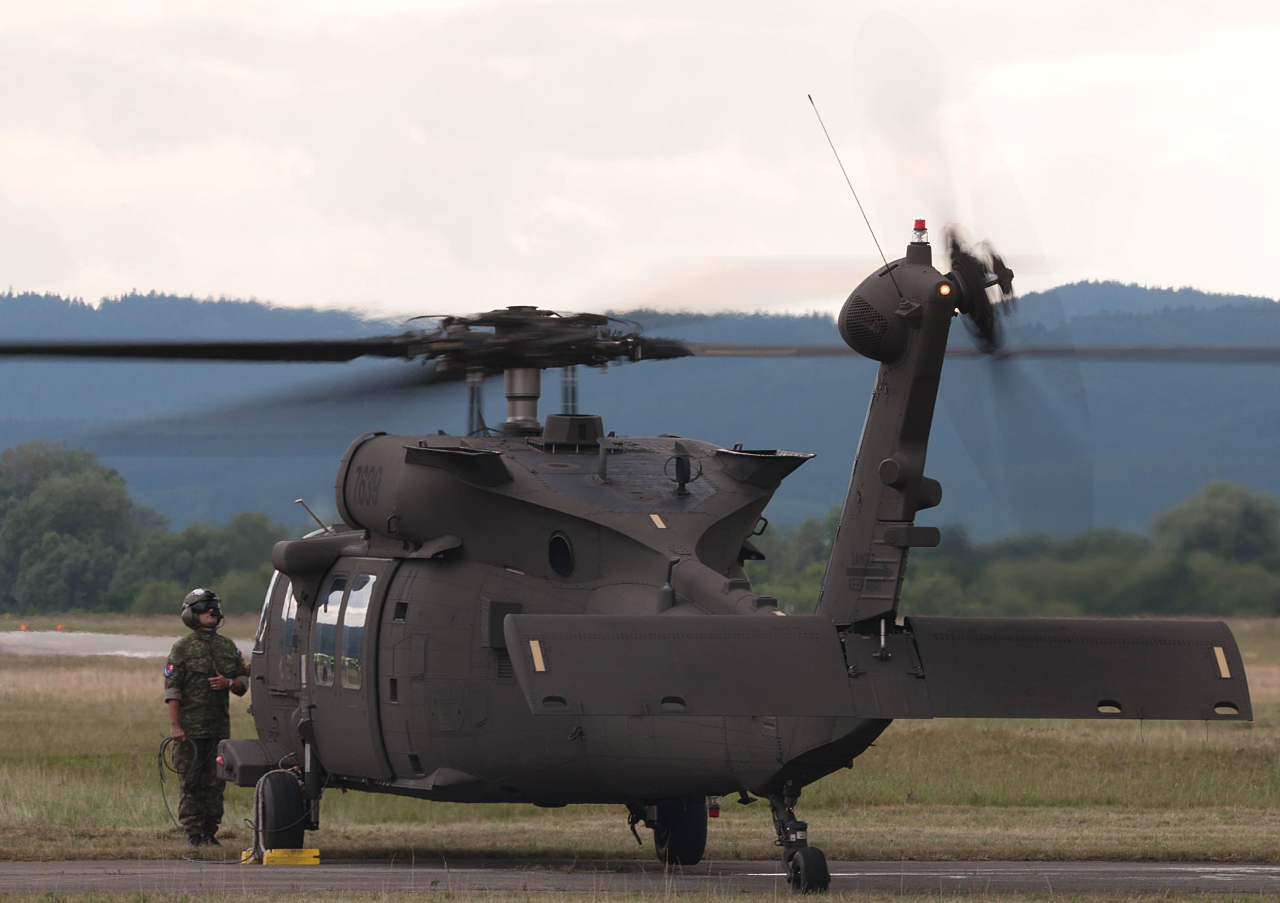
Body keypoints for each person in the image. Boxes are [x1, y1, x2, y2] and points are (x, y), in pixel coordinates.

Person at [163, 588, 249, 848]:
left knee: (215, 784)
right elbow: (173, 690)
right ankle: (194, 833)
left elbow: (243, 682)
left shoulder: (228, 647)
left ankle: (210, 833)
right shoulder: (182, 649)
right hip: (189, 731)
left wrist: (228, 683)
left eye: (214, 607)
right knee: (190, 783)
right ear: (191, 614)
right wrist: (175, 726)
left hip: (218, 729)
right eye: (203, 608)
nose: (211, 612)